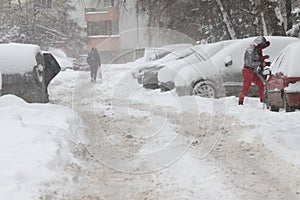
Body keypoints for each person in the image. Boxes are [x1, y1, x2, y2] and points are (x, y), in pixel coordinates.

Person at [238, 36, 270, 105]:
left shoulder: (258, 50)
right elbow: (250, 62)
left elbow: (258, 59)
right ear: (259, 43)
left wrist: (264, 59)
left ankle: (262, 100)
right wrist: (260, 63)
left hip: (253, 71)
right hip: (247, 70)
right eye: (262, 45)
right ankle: (240, 102)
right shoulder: (251, 50)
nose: (262, 47)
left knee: (261, 85)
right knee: (246, 87)